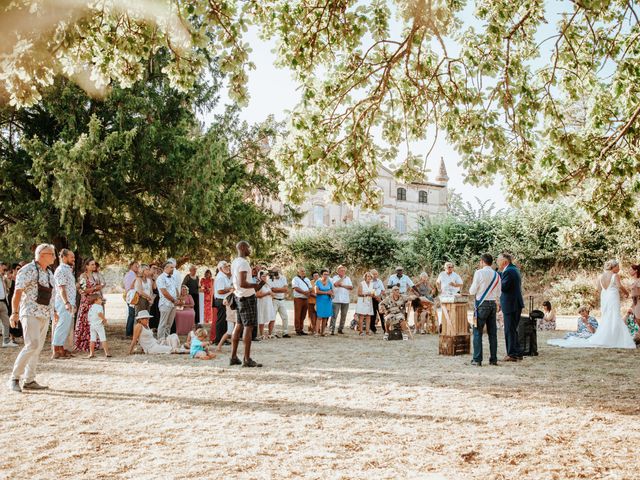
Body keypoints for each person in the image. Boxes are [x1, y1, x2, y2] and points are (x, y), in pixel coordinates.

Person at [548, 260, 636, 349]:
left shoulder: (600, 276)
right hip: (613, 297)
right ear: (613, 267)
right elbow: (619, 286)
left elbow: (598, 289)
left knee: (606, 316)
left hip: (604, 297)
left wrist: (605, 294)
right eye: (618, 267)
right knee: (614, 315)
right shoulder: (615, 275)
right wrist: (626, 293)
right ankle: (614, 338)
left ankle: (606, 337)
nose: (619, 269)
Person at [8, 243, 57, 392]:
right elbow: (17, 293)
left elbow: (51, 294)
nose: (54, 257)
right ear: (42, 255)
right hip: (29, 312)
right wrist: (14, 313)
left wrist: (54, 312)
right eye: (52, 254)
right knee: (32, 345)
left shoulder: (49, 272)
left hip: (44, 314)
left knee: (37, 348)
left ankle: (29, 380)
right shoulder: (27, 270)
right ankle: (14, 378)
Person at [230, 241, 265, 367]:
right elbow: (243, 283)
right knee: (248, 327)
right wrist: (256, 285)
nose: (250, 249)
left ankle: (233, 357)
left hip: (238, 296)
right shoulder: (244, 263)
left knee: (238, 325)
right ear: (243, 248)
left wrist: (258, 283)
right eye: (249, 247)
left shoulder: (235, 261)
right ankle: (247, 359)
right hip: (247, 297)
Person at [468, 253, 502, 366]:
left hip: (481, 305)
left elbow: (472, 291)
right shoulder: (497, 275)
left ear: (482, 261)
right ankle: (493, 359)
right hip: (493, 305)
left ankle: (477, 360)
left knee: (477, 332)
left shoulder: (479, 273)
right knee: (493, 334)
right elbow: (499, 292)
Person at [497, 253, 525, 362]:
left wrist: (495, 281)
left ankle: (512, 354)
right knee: (513, 329)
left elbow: (503, 286)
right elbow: (502, 275)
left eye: (499, 260)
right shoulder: (513, 269)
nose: (497, 262)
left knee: (509, 329)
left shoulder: (509, 271)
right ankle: (517, 352)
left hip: (511, 304)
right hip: (514, 303)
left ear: (505, 261)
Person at [51, 249, 76, 358]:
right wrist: (66, 302)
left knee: (65, 326)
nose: (74, 259)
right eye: (72, 257)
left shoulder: (68, 270)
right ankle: (56, 351)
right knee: (61, 325)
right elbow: (61, 288)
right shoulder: (61, 270)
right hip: (63, 302)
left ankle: (62, 348)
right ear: (64, 257)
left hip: (69, 301)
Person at [74, 258, 101, 352]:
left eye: (94, 264)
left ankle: (93, 343)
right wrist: (95, 288)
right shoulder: (83, 276)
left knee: (93, 321)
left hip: (93, 301)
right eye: (92, 264)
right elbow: (83, 290)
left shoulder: (93, 276)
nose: (94, 266)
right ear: (86, 266)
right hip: (86, 301)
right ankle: (84, 343)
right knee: (85, 321)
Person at [157, 261, 181, 340]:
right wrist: (173, 300)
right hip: (165, 303)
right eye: (171, 267)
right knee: (163, 323)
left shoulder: (173, 277)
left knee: (169, 324)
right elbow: (164, 292)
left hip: (173, 304)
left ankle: (167, 339)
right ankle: (160, 340)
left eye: (173, 267)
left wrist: (178, 299)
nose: (173, 269)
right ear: (165, 268)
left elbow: (176, 289)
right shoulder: (161, 278)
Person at [214, 261, 233, 345]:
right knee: (221, 320)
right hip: (221, 300)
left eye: (227, 266)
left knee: (224, 320)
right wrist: (230, 289)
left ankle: (223, 339)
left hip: (224, 300)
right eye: (225, 267)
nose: (227, 268)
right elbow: (220, 291)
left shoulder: (224, 276)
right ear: (220, 268)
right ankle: (218, 339)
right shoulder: (221, 277)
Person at [267, 266, 290, 338]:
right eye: (275, 271)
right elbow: (272, 290)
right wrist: (281, 289)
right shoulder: (269, 280)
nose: (277, 272)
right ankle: (273, 333)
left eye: (278, 271)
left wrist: (277, 289)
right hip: (274, 300)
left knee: (285, 316)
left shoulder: (283, 278)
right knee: (273, 317)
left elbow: (286, 289)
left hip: (282, 300)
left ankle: (285, 332)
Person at [330, 265, 353, 335]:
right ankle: (332, 330)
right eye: (341, 270)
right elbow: (336, 284)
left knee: (344, 315)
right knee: (334, 315)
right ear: (338, 271)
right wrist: (342, 278)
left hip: (345, 300)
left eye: (344, 270)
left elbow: (351, 287)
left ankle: (340, 329)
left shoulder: (348, 278)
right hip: (336, 300)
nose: (343, 272)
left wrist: (342, 285)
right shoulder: (334, 278)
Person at [291, 267, 311, 336]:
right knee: (298, 315)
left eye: (304, 271)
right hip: (298, 299)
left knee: (303, 315)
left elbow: (310, 288)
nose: (303, 272)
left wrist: (308, 292)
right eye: (302, 271)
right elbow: (295, 288)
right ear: (298, 272)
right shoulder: (295, 279)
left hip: (305, 299)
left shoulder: (307, 279)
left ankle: (301, 329)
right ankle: (297, 330)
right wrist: (304, 292)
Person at [314, 269, 333, 337]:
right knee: (319, 317)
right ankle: (316, 332)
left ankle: (323, 332)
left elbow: (331, 291)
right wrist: (326, 292)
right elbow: (316, 291)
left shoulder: (329, 282)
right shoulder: (318, 282)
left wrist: (331, 294)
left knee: (325, 317)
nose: (326, 276)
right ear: (321, 275)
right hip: (320, 301)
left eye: (327, 274)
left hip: (328, 301)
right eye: (325, 274)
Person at [256, 271, 276, 339]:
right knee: (262, 318)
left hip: (269, 303)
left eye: (265, 276)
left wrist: (272, 294)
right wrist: (267, 293)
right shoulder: (258, 284)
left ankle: (270, 334)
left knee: (272, 318)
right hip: (262, 303)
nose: (264, 277)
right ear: (259, 277)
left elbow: (270, 292)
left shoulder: (267, 284)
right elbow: (257, 295)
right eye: (263, 276)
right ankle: (261, 334)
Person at [0, 261, 15, 348]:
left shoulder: (3, 277)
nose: (5, 271)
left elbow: (8, 287)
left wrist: (8, 278)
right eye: (4, 268)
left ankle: (6, 341)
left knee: (6, 322)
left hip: (3, 302)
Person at [355, 272, 374, 336]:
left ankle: (367, 331)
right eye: (368, 276)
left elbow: (372, 292)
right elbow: (359, 294)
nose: (369, 278)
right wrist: (367, 294)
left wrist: (372, 295)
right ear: (365, 277)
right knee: (362, 317)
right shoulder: (361, 284)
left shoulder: (372, 284)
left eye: (370, 276)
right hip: (362, 302)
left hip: (369, 301)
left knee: (368, 316)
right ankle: (361, 331)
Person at [123, 260, 139, 337]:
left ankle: (131, 331)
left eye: (138, 266)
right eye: (136, 266)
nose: (137, 267)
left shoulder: (134, 274)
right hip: (131, 296)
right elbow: (130, 287)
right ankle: (129, 332)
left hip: (133, 296)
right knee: (132, 314)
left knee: (133, 314)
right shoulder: (130, 275)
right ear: (131, 266)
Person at [626, 264, 640, 344]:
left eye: (631, 269)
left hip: (638, 301)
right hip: (634, 303)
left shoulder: (639, 280)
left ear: (636, 271)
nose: (629, 271)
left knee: (638, 319)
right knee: (637, 320)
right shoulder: (634, 281)